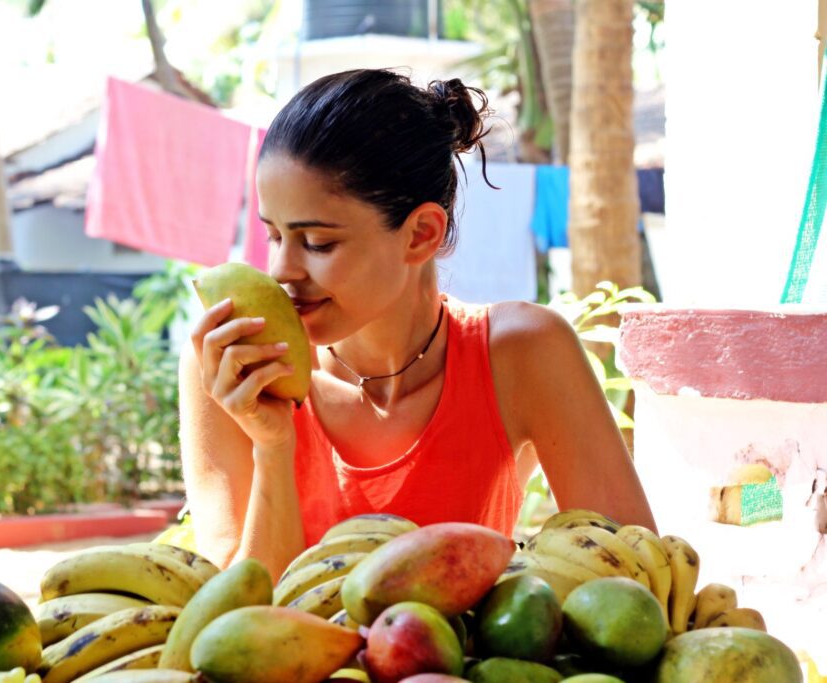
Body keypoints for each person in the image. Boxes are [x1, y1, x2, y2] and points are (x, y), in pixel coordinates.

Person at [179, 68, 655, 577]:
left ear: (421, 234)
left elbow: (635, 577)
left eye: (317, 243)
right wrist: (274, 447)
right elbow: (234, 625)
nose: (281, 271)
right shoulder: (234, 363)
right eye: (274, 236)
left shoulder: (524, 354)